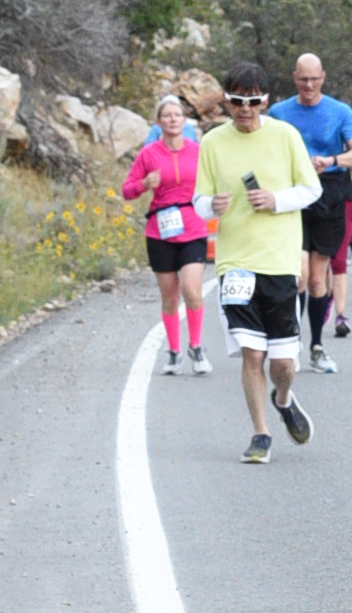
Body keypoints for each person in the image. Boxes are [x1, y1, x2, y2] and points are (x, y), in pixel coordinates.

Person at [193, 63, 320, 464]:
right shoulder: (213, 142)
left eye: (252, 101)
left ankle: (283, 398)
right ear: (226, 101)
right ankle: (260, 434)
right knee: (252, 353)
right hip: (235, 264)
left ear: (265, 101)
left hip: (278, 261)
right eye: (236, 101)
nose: (244, 109)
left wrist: (275, 200)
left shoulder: (285, 135)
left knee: (283, 363)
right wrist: (210, 206)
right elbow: (198, 201)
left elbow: (311, 189)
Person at [270, 52, 352, 372]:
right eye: (303, 79)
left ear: (323, 77)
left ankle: (317, 346)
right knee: (297, 274)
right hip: (294, 194)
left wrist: (332, 161)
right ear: (294, 78)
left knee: (315, 279)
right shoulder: (279, 112)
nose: (309, 85)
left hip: (330, 194)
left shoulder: (340, 111)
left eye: (314, 79)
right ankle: (292, 341)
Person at [122, 88, 212, 376]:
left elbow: (214, 183)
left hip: (193, 227)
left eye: (177, 115)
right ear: (158, 121)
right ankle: (173, 352)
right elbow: (127, 191)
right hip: (160, 231)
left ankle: (196, 346)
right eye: (167, 115)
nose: (173, 119)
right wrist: (144, 184)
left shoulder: (198, 152)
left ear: (184, 120)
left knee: (192, 290)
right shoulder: (148, 154)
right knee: (170, 297)